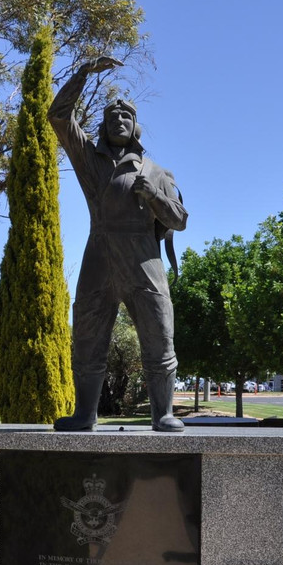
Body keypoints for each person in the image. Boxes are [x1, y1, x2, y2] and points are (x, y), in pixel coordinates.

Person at [49, 56, 188, 432]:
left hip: (143, 259)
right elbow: (59, 116)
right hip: (99, 256)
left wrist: (154, 197)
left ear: (136, 126)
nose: (119, 120)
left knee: (159, 335)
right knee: (88, 339)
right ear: (104, 126)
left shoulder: (156, 171)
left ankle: (163, 413)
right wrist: (82, 73)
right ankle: (85, 414)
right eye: (112, 116)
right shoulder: (90, 161)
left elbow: (179, 220)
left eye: (126, 116)